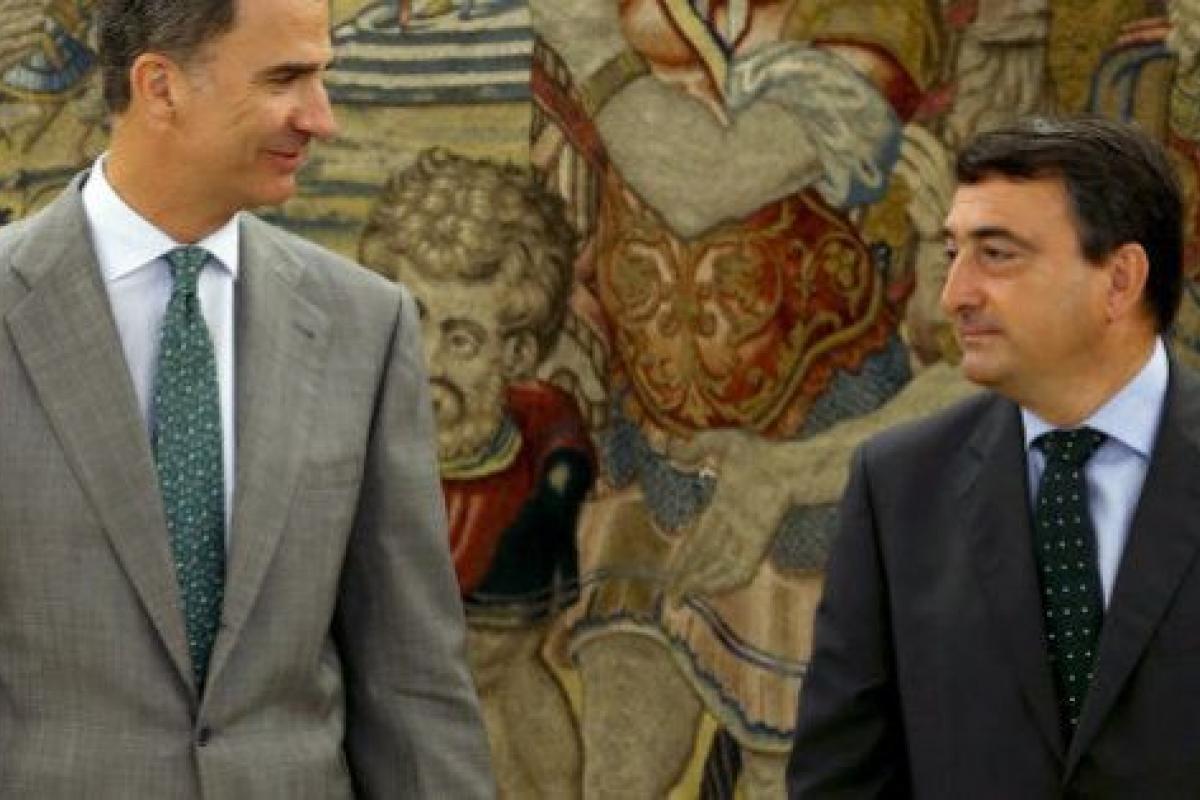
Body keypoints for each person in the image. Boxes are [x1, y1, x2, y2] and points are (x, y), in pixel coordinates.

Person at [0, 0, 494, 796]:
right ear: (160, 87)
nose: (321, 118)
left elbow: (414, 687)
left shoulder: (365, 325)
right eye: (284, 79)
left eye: (321, 77)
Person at [787, 114, 1199, 797]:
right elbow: (841, 781)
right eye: (954, 253)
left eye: (997, 254)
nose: (955, 296)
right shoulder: (897, 487)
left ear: (1120, 280)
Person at [360, 148, 594, 798]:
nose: (425, 360)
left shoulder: (537, 458)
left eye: (461, 340)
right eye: (410, 320)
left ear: (515, 354)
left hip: (502, 703)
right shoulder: (356, 430)